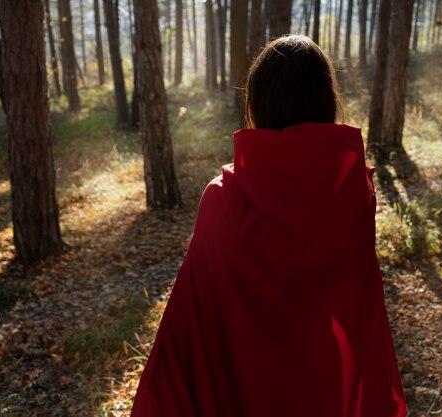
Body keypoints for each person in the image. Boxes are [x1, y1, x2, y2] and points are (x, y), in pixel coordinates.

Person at [131, 35, 407, 417]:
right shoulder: (355, 193)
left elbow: (190, 326)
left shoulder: (223, 199)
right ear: (325, 101)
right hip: (324, 385)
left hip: (242, 386)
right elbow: (358, 303)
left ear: (258, 102)